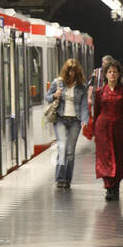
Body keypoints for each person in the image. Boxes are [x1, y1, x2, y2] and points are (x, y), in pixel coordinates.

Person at [91, 58, 123, 200]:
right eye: (109, 72)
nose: (112, 74)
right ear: (105, 74)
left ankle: (116, 185)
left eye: (114, 72)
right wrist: (93, 132)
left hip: (119, 129)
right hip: (102, 128)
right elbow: (96, 111)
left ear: (119, 74)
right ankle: (108, 187)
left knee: (119, 156)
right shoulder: (99, 92)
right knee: (105, 158)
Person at [44, 59, 88, 189]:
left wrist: (85, 120)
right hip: (60, 120)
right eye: (69, 70)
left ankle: (67, 179)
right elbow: (47, 97)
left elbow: (84, 106)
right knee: (62, 148)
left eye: (73, 71)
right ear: (65, 70)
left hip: (75, 121)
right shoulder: (57, 83)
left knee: (70, 152)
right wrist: (54, 95)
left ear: (77, 72)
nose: (71, 73)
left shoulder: (81, 87)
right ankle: (60, 178)